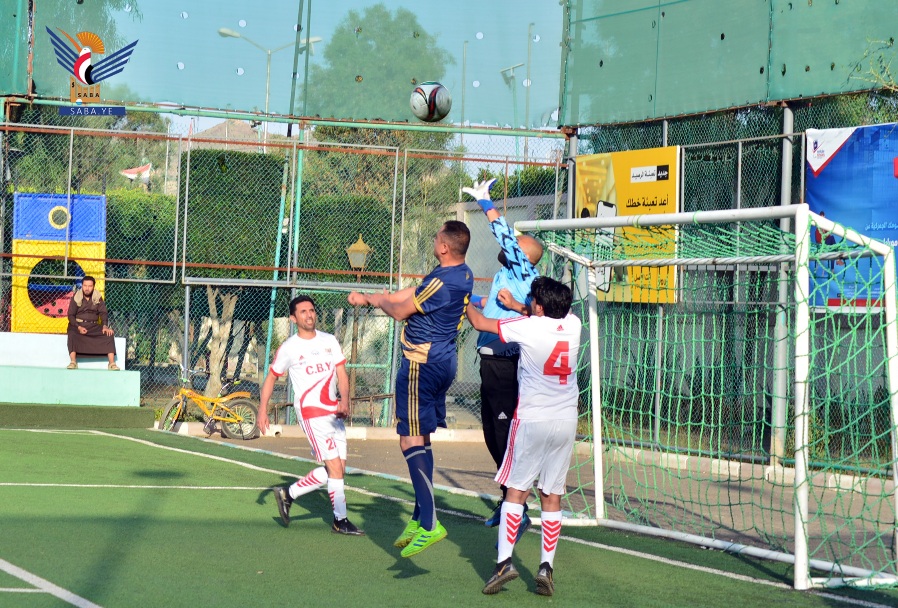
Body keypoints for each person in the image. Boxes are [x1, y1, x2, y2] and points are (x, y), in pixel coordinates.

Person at [348, 220, 473, 558]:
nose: (434, 240)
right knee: (422, 438)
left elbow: (402, 309)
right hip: (443, 361)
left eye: (436, 238)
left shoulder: (444, 281)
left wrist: (376, 302)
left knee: (408, 439)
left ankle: (431, 523)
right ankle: (420, 517)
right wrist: (375, 297)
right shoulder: (462, 272)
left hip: (422, 364)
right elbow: (413, 293)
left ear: (444, 246)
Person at [466, 276, 582, 597]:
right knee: (552, 495)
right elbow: (540, 314)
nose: (528, 303)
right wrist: (521, 306)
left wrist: (463, 299)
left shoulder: (526, 327)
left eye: (532, 300)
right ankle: (546, 566)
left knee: (515, 493)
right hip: (565, 421)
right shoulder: (574, 324)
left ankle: (504, 563)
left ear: (540, 307)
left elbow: (479, 321)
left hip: (532, 419)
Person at [462, 178, 543, 534]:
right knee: (492, 435)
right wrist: (465, 297)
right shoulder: (505, 275)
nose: (510, 243)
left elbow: (504, 235)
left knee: (503, 434)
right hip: (491, 361)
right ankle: (511, 498)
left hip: (506, 363)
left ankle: (518, 503)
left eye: (517, 243)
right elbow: (488, 303)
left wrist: (485, 202)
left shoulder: (525, 273)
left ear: (523, 256)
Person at [258, 295, 364, 536]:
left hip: (334, 410)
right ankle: (340, 520)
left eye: (312, 310)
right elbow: (272, 377)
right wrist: (262, 409)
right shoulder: (289, 347)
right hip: (311, 413)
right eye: (303, 312)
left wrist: (344, 400)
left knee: (337, 470)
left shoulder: (329, 340)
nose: (309, 315)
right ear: (294, 318)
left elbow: (341, 372)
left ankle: (289, 494)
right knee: (335, 468)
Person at [66, 275, 118, 370]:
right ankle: (73, 362)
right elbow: (70, 315)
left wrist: (105, 326)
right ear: (82, 285)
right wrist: (78, 327)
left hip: (93, 326)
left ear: (93, 286)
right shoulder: (76, 297)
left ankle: (112, 363)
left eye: (90, 286)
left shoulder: (98, 297)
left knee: (109, 334)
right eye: (85, 285)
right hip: (78, 325)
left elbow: (103, 312)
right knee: (72, 333)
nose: (87, 288)